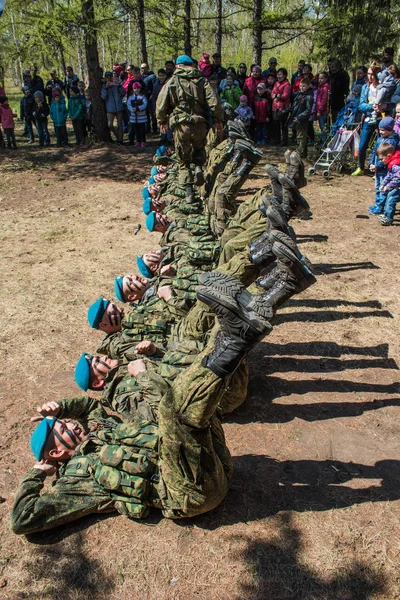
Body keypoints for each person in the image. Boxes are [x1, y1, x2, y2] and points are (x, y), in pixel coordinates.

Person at [11, 289, 272, 534]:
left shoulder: (98, 428)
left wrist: (61, 408)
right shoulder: (77, 479)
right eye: (64, 430)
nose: (71, 425)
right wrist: (37, 474)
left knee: (181, 396)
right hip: (189, 492)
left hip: (211, 462)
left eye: (65, 423)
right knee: (173, 408)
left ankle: (237, 334)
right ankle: (235, 341)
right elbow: (23, 519)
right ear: (56, 452)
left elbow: (90, 406)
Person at [156, 54, 223, 203]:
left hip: (181, 126)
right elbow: (214, 102)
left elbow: (161, 104)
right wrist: (218, 120)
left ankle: (189, 193)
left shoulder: (172, 81)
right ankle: (199, 167)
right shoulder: (202, 81)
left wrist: (162, 121)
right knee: (199, 149)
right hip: (199, 124)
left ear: (178, 66)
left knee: (183, 161)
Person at [351, 62, 381, 176]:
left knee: (379, 145)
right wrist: (371, 106)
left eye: (372, 74)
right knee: (362, 144)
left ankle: (376, 168)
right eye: (368, 74)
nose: (370, 76)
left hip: (380, 119)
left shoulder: (382, 86)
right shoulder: (365, 87)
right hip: (368, 118)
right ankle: (360, 167)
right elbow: (361, 105)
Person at [367, 117, 399, 215]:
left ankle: (381, 207)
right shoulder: (380, 139)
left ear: (389, 130)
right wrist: (371, 162)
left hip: (384, 169)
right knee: (377, 187)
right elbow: (374, 151)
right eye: (380, 129)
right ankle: (378, 205)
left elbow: (386, 157)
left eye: (383, 130)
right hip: (376, 167)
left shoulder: (391, 141)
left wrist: (378, 166)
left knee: (382, 188)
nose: (381, 132)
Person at [288, 77, 314, 158]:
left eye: (304, 86)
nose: (301, 88)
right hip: (296, 117)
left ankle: (301, 153)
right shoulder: (299, 94)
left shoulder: (309, 96)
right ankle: (301, 152)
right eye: (300, 86)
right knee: (298, 136)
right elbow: (296, 105)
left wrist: (299, 117)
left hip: (303, 119)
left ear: (308, 86)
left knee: (301, 136)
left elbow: (308, 110)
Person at [376, 142, 400, 225]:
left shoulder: (395, 165)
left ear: (389, 156)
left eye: (382, 159)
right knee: (390, 198)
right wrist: (383, 183)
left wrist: (389, 186)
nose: (381, 161)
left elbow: (398, 178)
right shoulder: (392, 163)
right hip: (397, 187)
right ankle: (387, 215)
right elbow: (389, 175)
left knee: (391, 199)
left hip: (398, 187)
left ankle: (388, 218)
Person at [101, 71, 125, 144]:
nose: (109, 78)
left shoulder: (116, 84)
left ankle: (120, 140)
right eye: (107, 77)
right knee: (110, 124)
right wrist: (106, 88)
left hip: (119, 107)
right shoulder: (103, 86)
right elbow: (103, 97)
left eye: (110, 76)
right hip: (110, 108)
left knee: (120, 124)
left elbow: (123, 92)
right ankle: (118, 135)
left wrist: (118, 86)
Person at [271, 67, 291, 146]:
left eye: (280, 75)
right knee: (275, 124)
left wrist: (277, 96)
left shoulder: (287, 84)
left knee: (283, 125)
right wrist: (276, 95)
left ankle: (284, 140)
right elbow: (272, 93)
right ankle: (277, 140)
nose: (279, 76)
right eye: (278, 74)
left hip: (283, 107)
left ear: (285, 75)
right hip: (275, 106)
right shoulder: (276, 83)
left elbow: (285, 95)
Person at [127, 81, 148, 147]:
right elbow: (128, 104)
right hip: (133, 117)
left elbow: (145, 104)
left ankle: (143, 141)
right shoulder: (131, 97)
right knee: (136, 130)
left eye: (138, 88)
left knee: (142, 130)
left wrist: (138, 108)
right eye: (135, 88)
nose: (137, 89)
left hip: (141, 117)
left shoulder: (143, 96)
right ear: (133, 89)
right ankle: (138, 141)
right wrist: (132, 109)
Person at [329, 59, 350, 123]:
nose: (332, 69)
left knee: (338, 118)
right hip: (333, 100)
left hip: (340, 100)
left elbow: (340, 88)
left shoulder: (343, 75)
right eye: (331, 67)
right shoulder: (331, 74)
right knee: (333, 118)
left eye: (333, 67)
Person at [315, 72, 329, 146]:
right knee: (321, 127)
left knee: (323, 127)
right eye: (319, 78)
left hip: (323, 112)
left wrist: (319, 110)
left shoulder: (325, 88)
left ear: (326, 79)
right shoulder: (320, 87)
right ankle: (323, 141)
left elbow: (324, 100)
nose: (320, 80)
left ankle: (324, 142)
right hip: (319, 110)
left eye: (322, 78)